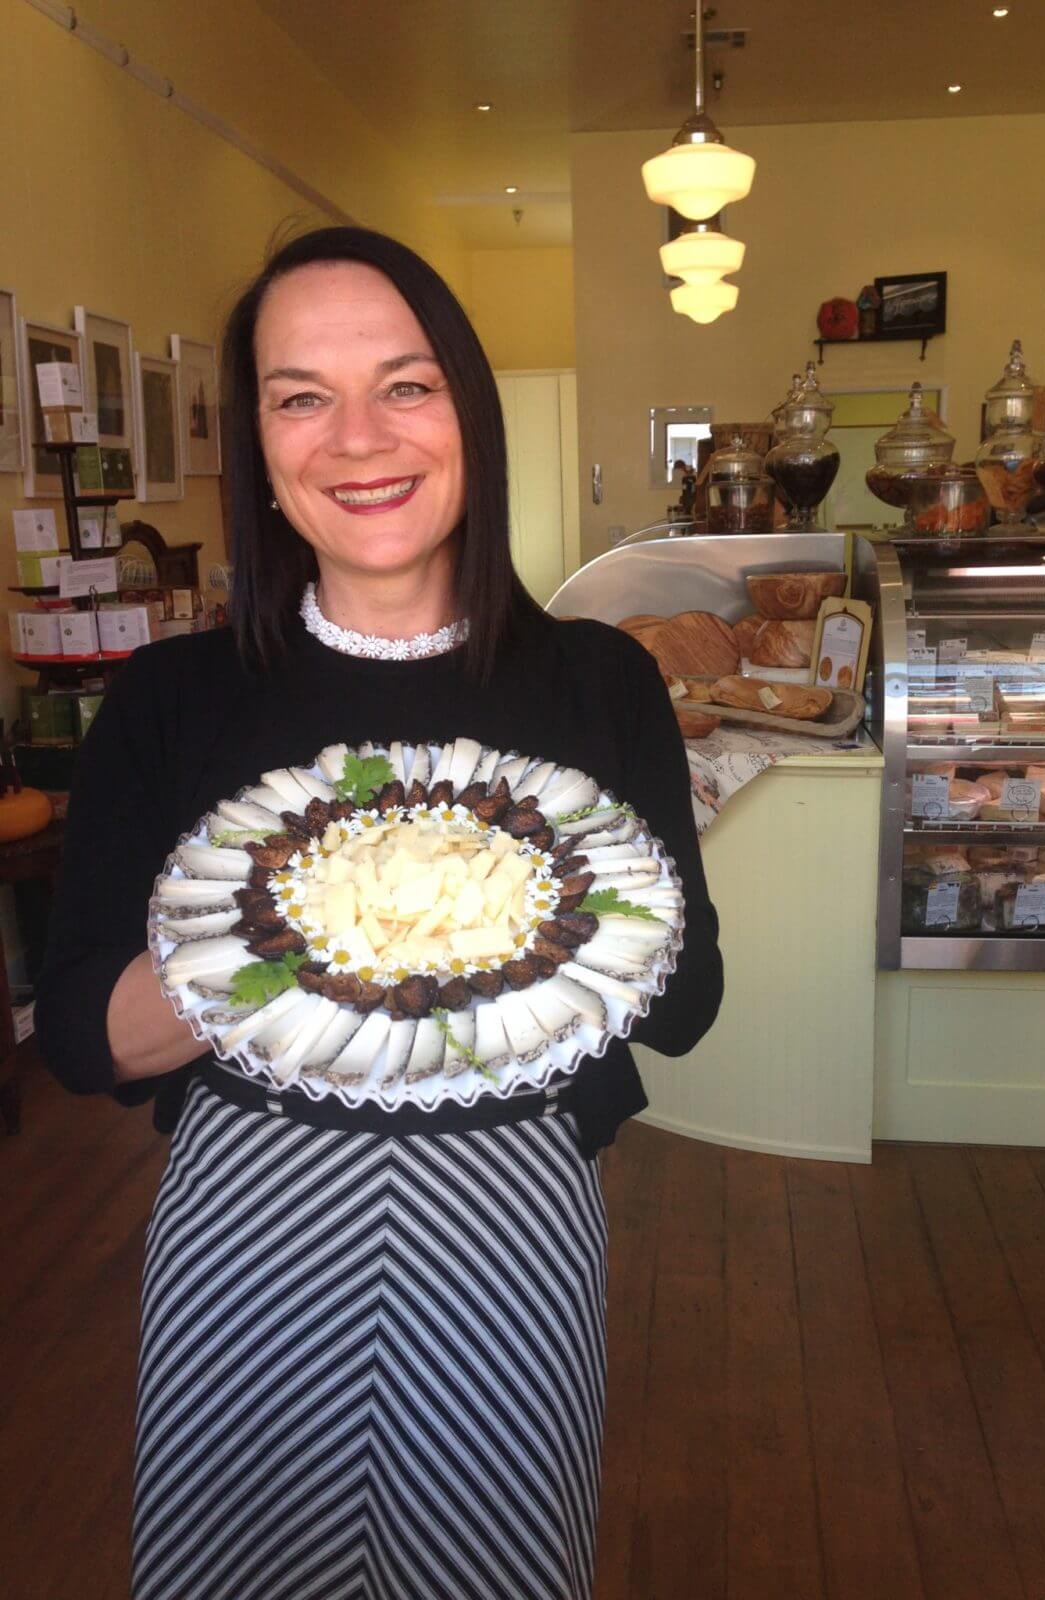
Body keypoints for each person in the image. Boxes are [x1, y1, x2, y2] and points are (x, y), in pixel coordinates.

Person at [35, 226, 722, 1600]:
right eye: (301, 396)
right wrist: (293, 943)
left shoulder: (599, 686)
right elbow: (81, 1042)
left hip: (512, 1213)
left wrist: (534, 926)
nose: (358, 438)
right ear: (261, 451)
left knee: (492, 1568)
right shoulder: (172, 699)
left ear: (469, 411)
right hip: (250, 1213)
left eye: (406, 385)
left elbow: (690, 1003)